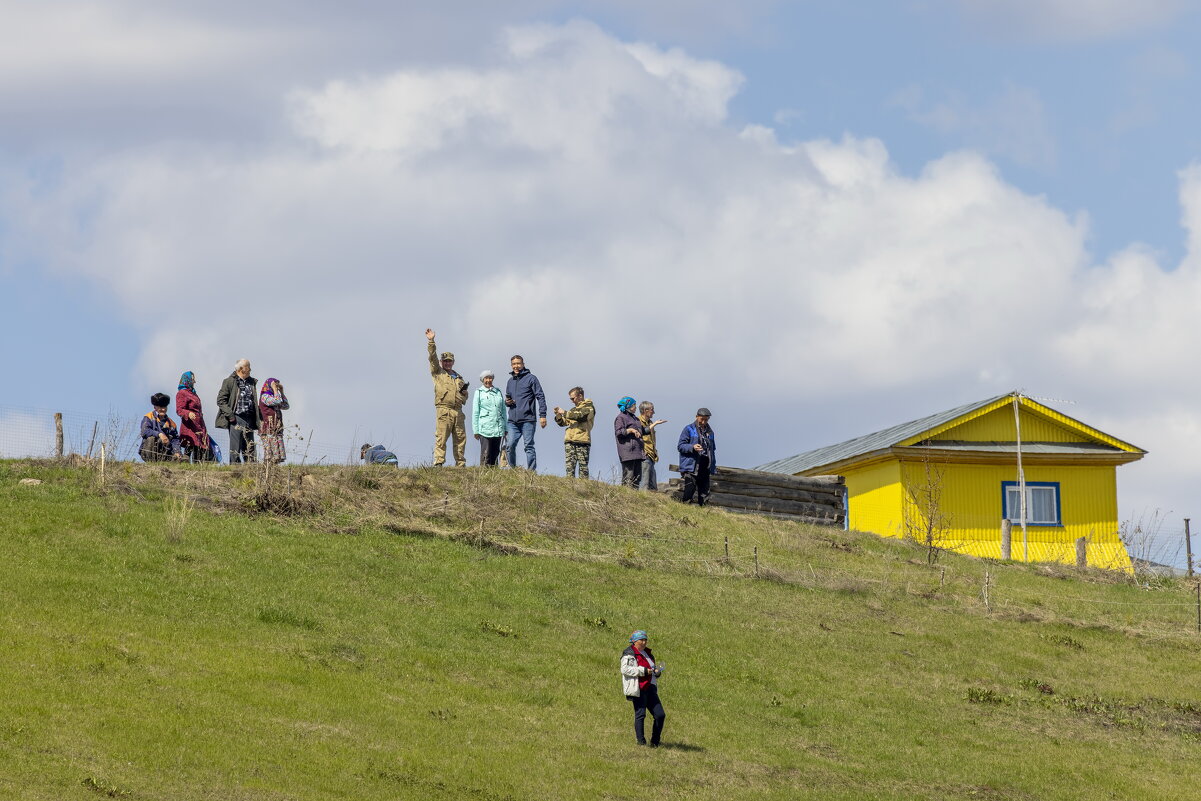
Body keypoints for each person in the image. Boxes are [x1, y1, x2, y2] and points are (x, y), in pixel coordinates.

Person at [426, 329, 469, 467]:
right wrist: (431, 341)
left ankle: (460, 463)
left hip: (458, 411)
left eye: (449, 361)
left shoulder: (459, 377)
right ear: (441, 361)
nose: (447, 363)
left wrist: (464, 394)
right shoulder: (438, 372)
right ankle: (438, 462)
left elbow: (464, 397)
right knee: (441, 437)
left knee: (460, 438)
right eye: (445, 361)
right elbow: (432, 357)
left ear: (453, 362)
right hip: (443, 410)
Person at [620, 630, 666, 747]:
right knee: (640, 714)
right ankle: (641, 742)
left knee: (660, 715)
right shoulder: (629, 653)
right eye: (642, 640)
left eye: (646, 640)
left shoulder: (648, 654)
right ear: (634, 641)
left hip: (650, 687)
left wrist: (656, 672)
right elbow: (625, 670)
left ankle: (655, 742)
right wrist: (644, 671)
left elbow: (652, 669)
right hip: (638, 687)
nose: (644, 642)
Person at [504, 354, 547, 471]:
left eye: (518, 363)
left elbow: (540, 396)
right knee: (510, 445)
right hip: (512, 420)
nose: (516, 366)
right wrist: (508, 402)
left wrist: (542, 415)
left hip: (528, 419)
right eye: (513, 364)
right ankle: (512, 470)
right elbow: (508, 400)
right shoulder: (510, 381)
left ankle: (531, 472)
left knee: (528, 446)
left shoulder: (531, 378)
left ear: (523, 364)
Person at [216, 359, 260, 463]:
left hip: (249, 418)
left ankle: (251, 468)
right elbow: (221, 400)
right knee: (235, 447)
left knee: (250, 446)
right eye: (248, 366)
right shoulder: (229, 381)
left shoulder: (252, 382)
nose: (250, 369)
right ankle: (235, 469)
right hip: (236, 417)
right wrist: (230, 415)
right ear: (241, 369)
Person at [553, 387, 596, 478]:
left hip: (583, 441)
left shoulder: (589, 407)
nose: (572, 401)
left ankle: (584, 489)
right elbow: (563, 423)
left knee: (583, 468)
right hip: (570, 441)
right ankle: (569, 489)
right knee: (569, 468)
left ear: (580, 396)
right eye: (570, 399)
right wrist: (558, 415)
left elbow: (580, 416)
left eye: (573, 398)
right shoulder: (572, 410)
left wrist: (564, 412)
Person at [677, 407, 717, 505]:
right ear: (696, 417)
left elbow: (713, 450)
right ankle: (685, 509)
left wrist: (713, 466)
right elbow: (680, 446)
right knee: (689, 490)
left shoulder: (710, 433)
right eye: (701, 419)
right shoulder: (688, 429)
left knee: (705, 494)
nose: (703, 422)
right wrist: (692, 447)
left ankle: (704, 514)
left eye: (706, 419)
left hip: (705, 466)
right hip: (692, 465)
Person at [175, 371, 212, 462]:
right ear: (187, 380)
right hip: (190, 426)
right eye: (192, 379)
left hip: (199, 425)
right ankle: (185, 466)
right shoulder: (182, 393)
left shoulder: (193, 393)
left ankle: (198, 467)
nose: (194, 381)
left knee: (199, 447)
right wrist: (188, 413)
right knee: (190, 445)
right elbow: (179, 410)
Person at [473, 369, 506, 467]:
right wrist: (476, 430)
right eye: (486, 378)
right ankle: (483, 473)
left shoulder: (498, 391)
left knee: (495, 452)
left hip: (498, 427)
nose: (488, 380)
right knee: (486, 453)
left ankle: (494, 474)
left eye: (490, 378)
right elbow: (475, 412)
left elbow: (503, 411)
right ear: (483, 380)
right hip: (485, 427)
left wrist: (505, 428)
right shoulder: (479, 392)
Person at [139, 393, 182, 462]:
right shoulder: (148, 417)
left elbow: (175, 440)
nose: (163, 409)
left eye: (165, 407)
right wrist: (159, 434)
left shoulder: (172, 424)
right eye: (160, 407)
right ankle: (152, 463)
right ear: (155, 407)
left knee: (185, 458)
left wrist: (177, 452)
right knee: (151, 439)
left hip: (166, 453)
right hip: (149, 451)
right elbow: (144, 431)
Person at [614, 396, 645, 488]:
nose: (636, 407)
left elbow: (642, 431)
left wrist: (654, 425)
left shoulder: (635, 418)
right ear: (628, 406)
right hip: (628, 452)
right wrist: (630, 430)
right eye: (634, 405)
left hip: (638, 451)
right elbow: (619, 432)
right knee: (629, 476)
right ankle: (625, 497)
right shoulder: (620, 417)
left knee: (637, 477)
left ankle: (635, 499)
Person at [258, 377, 290, 465]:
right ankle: (267, 469)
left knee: (277, 456)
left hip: (276, 427)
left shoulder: (275, 396)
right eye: (274, 384)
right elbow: (277, 401)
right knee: (269, 454)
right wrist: (276, 390)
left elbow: (286, 406)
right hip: (267, 427)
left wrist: (282, 392)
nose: (276, 386)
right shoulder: (265, 396)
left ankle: (274, 470)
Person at [637, 401, 668, 491]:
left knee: (652, 484)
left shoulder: (650, 423)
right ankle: (642, 500)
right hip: (644, 455)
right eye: (652, 410)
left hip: (651, 455)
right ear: (645, 410)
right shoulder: (638, 422)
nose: (653, 412)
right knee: (644, 482)